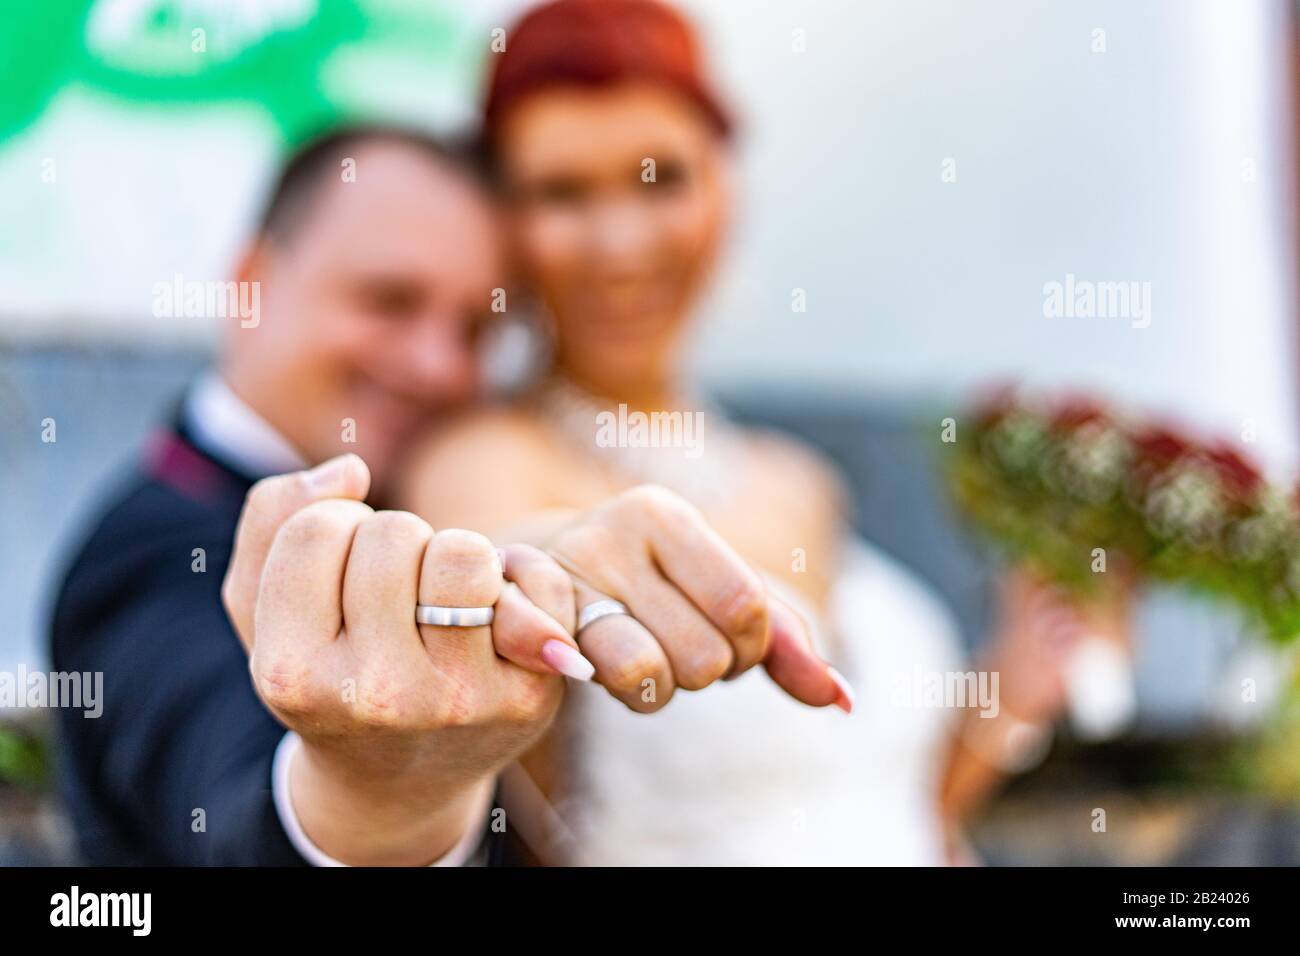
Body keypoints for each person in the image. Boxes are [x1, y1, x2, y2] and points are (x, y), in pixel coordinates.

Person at [401, 0, 1134, 865]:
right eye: (561, 193)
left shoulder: (795, 477)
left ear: (723, 183)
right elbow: (499, 577)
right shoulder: (485, 466)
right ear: (505, 227)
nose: (620, 243)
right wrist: (548, 559)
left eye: (658, 178)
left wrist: (1013, 691)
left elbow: (871, 808)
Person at [49, 127, 848, 866]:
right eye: (389, 302)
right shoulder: (149, 550)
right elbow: (225, 792)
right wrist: (374, 791)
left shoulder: (450, 492)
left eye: (472, 329)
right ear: (252, 282)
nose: (436, 366)